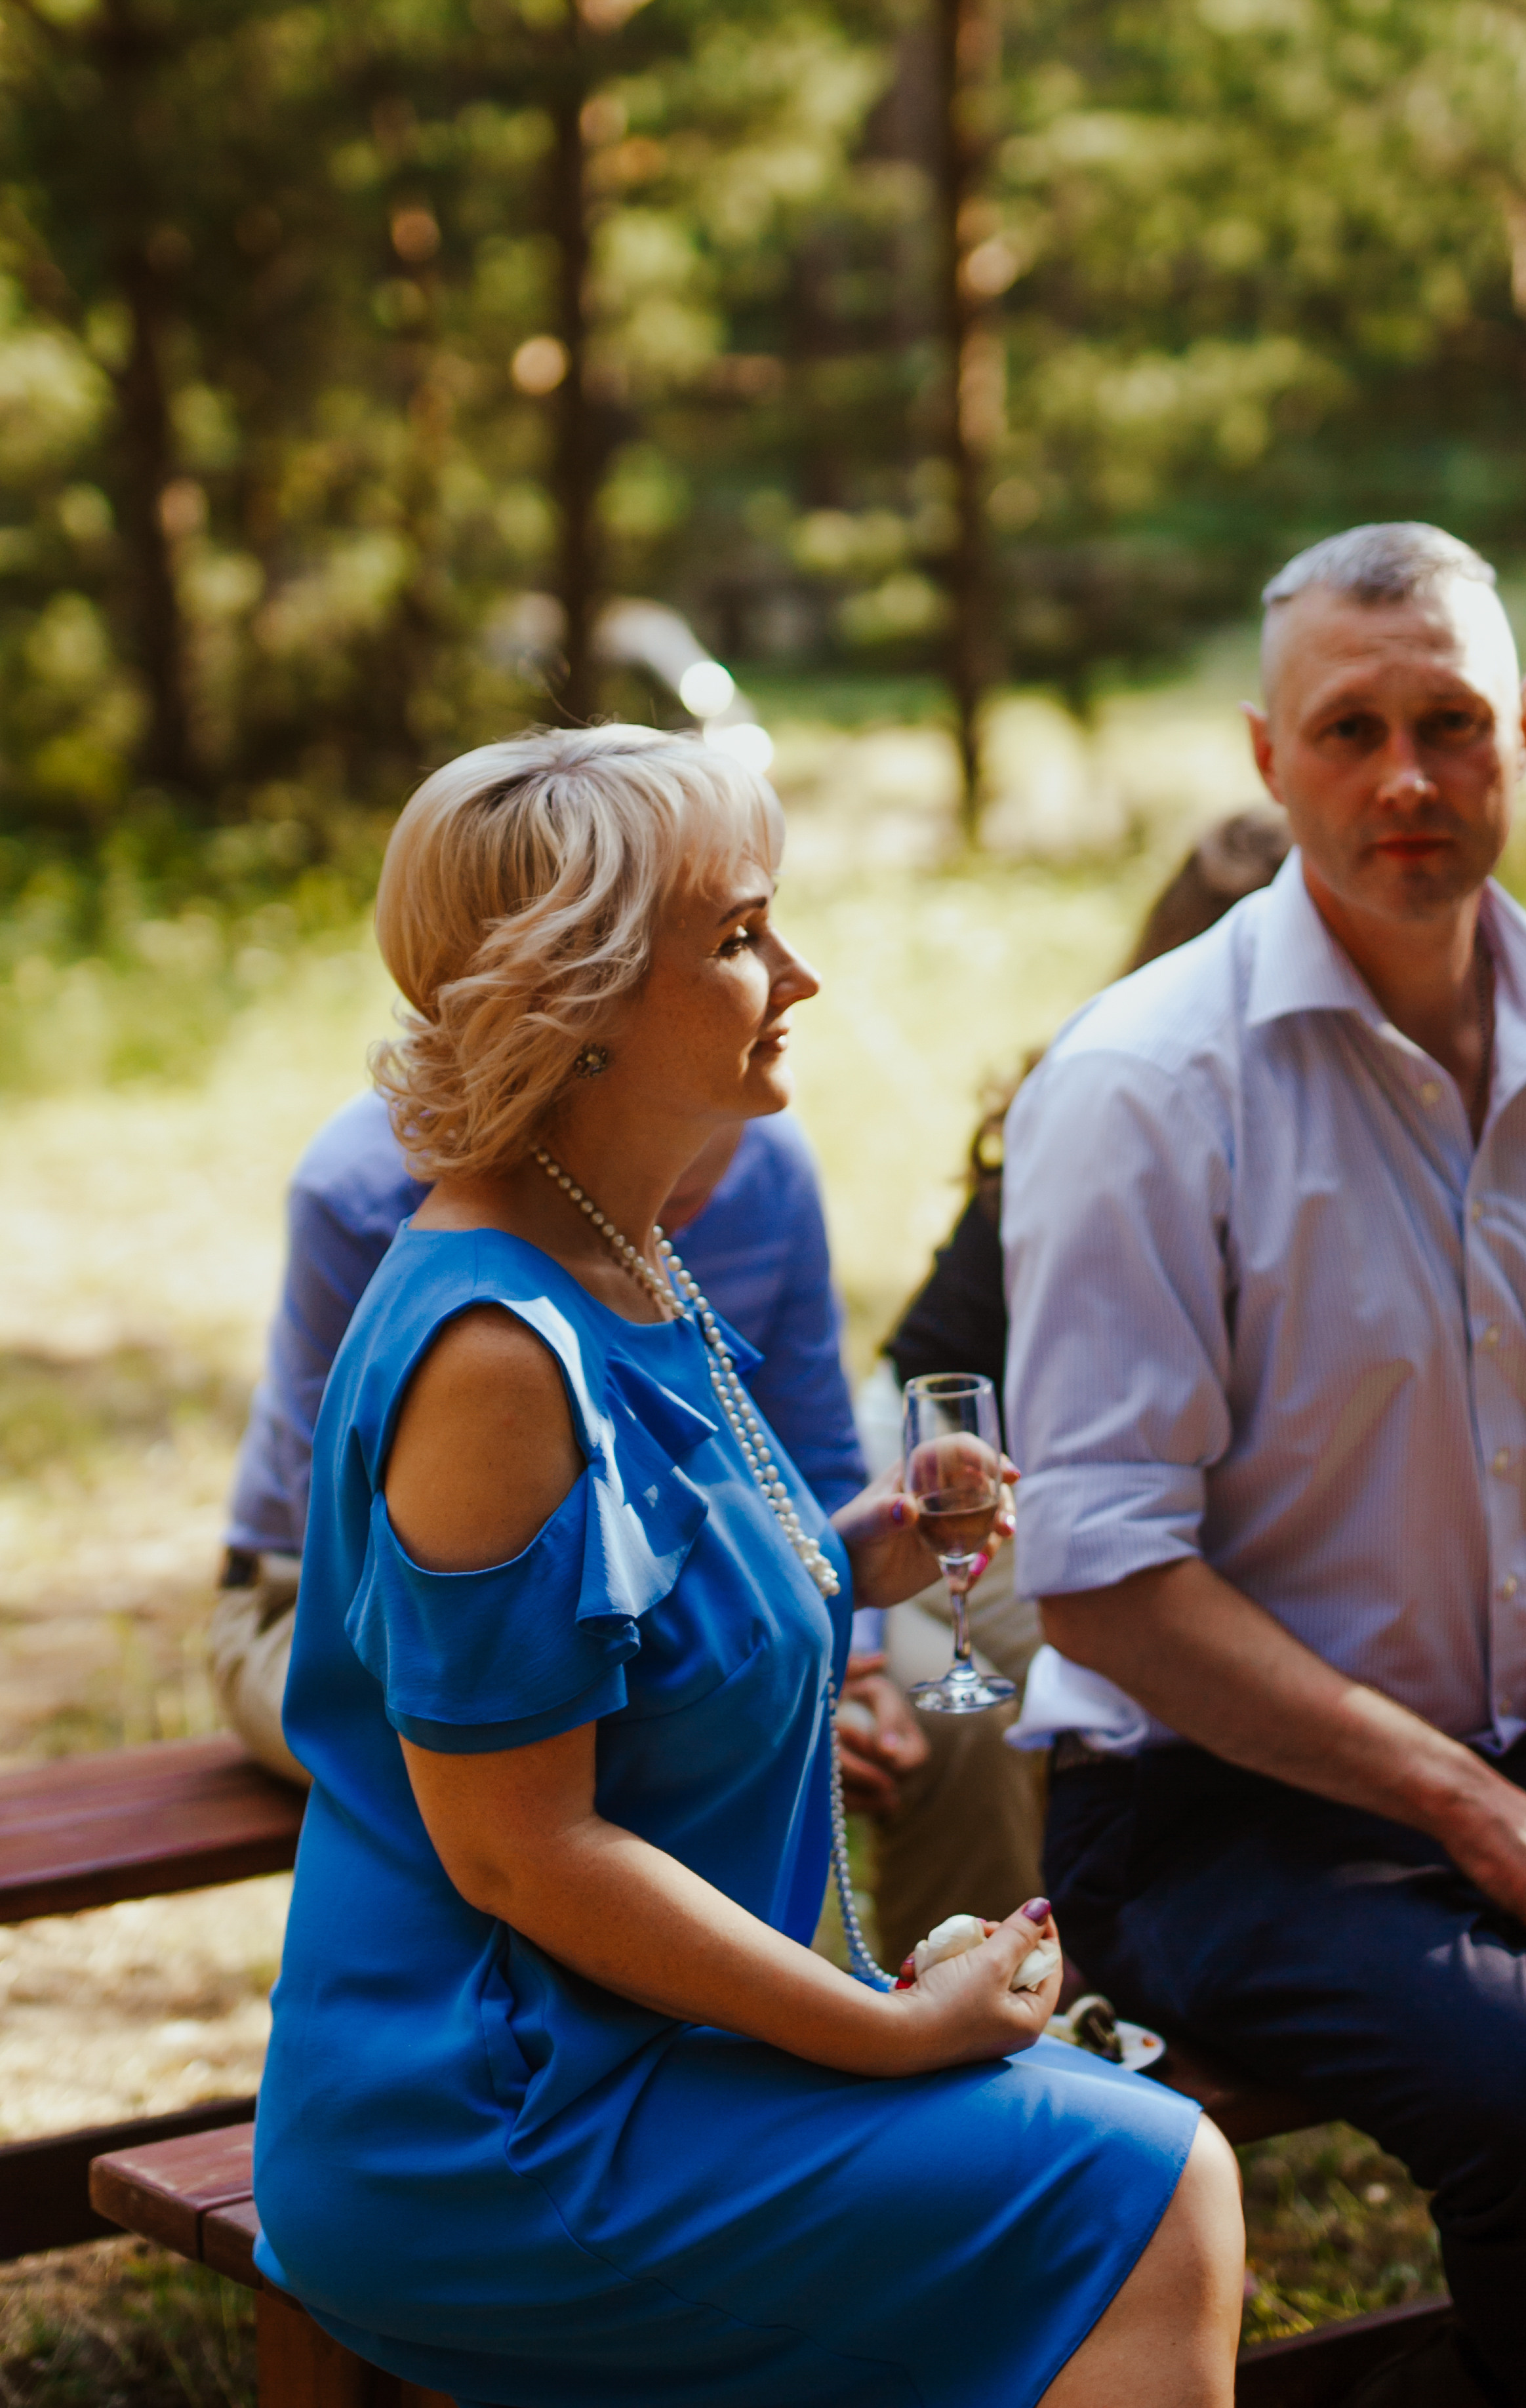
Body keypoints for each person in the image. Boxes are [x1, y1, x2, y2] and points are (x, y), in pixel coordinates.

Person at [251, 725, 1243, 2408]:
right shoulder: (495, 1349)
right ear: (573, 1003)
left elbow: (650, 1601)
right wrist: (886, 2034)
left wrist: (869, 1546)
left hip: (660, 2053)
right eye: (734, 936)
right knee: (1149, 2184)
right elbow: (522, 1853)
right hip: (503, 2122)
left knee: (1134, 2164)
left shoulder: (623, 1250)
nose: (799, 971)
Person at [1004, 523, 1526, 2408]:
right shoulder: (1139, 1085)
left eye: (1449, 721)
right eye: (1350, 730)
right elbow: (1100, 1573)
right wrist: (1474, 1815)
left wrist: (1511, 1800)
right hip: (1211, 1814)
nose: (1406, 777)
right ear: (1268, 762)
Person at [865, 805, 1289, 1968]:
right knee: (1131, 1652)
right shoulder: (1107, 1101)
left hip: (1105, 1481)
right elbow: (952, 1398)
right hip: (965, 1469)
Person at [212, 1094, 885, 1784]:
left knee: (952, 1740)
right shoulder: (362, 1196)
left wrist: (845, 1661)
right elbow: (348, 1541)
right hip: (327, 1612)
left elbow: (818, 1453)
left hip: (676, 1599)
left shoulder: (772, 1161)